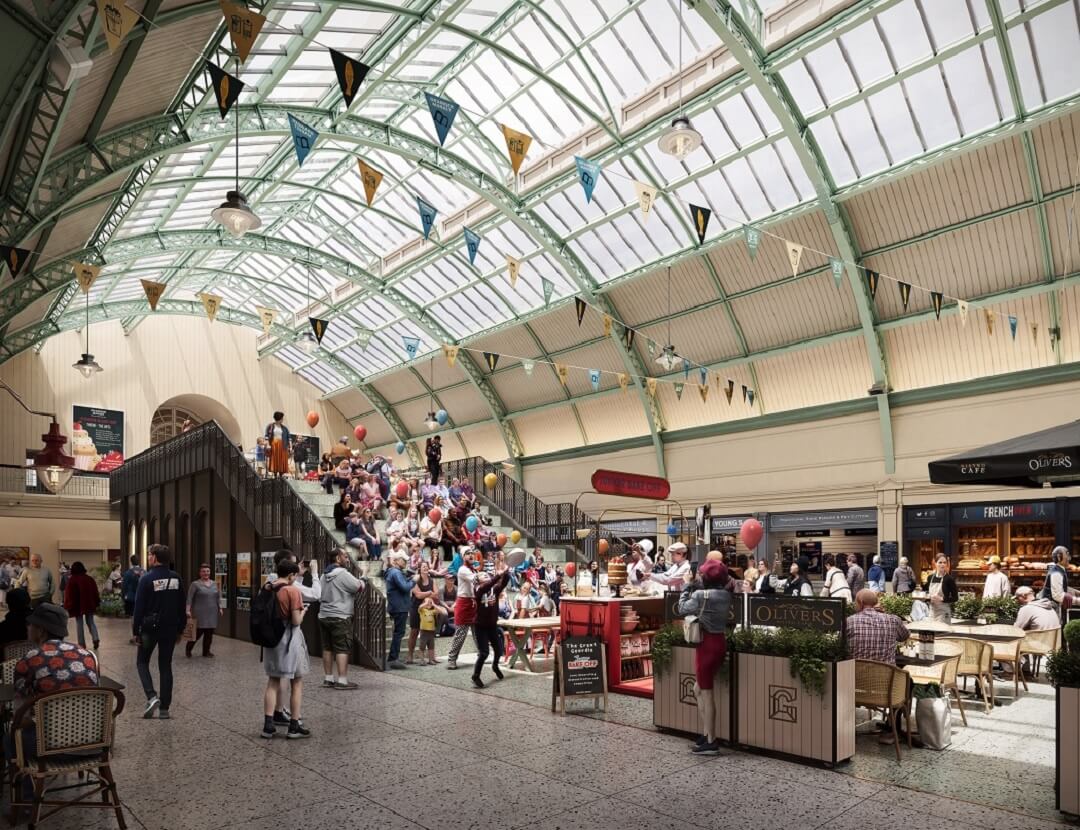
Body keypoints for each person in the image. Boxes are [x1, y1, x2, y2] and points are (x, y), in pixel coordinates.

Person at [676, 559, 732, 756]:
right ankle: (706, 733)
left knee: (706, 693)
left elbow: (681, 608)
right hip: (719, 642)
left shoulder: (700, 595)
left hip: (705, 645)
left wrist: (687, 585)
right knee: (698, 688)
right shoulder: (725, 595)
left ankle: (711, 741)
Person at [133, 544, 187, 720]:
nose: (148, 557)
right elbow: (181, 606)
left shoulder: (146, 579)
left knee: (142, 662)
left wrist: (136, 631)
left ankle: (151, 696)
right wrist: (180, 629)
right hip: (170, 628)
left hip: (150, 628)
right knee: (165, 665)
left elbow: (139, 608)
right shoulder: (176, 578)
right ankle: (164, 708)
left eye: (149, 554)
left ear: (155, 557)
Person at [260, 560, 311, 739]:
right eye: (295, 576)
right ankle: (294, 726)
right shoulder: (292, 591)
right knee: (296, 682)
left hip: (271, 641)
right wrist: (304, 611)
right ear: (291, 576)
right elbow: (296, 621)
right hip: (289, 641)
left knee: (272, 681)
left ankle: (268, 726)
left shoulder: (267, 588)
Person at [318, 548, 364, 689]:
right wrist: (364, 577)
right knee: (342, 648)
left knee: (327, 648)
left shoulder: (323, 575)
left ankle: (328, 678)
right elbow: (358, 587)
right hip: (340, 617)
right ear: (338, 559)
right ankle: (342, 681)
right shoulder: (343, 574)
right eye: (345, 556)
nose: (348, 559)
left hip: (324, 616)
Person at [845, 589, 909, 665]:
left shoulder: (849, 621)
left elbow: (840, 645)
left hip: (855, 673)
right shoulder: (893, 619)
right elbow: (904, 636)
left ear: (861, 603)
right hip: (886, 675)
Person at [472, 563, 510, 688]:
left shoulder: (494, 589)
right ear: (477, 580)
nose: (486, 575)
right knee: (484, 653)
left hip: (492, 625)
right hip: (480, 626)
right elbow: (487, 586)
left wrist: (506, 572)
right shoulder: (478, 589)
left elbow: (504, 583)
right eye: (482, 575)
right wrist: (498, 575)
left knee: (499, 649)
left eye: (486, 574)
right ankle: (476, 675)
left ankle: (495, 665)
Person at [447, 552, 479, 670]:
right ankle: (451, 658)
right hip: (464, 604)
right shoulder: (462, 569)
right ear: (463, 557)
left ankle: (482, 655)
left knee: (478, 633)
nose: (471, 555)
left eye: (472, 553)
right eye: (467, 554)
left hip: (473, 603)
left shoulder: (473, 570)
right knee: (460, 634)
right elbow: (477, 580)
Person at [185, 563, 222, 658]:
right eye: (203, 571)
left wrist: (220, 608)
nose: (206, 573)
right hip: (199, 613)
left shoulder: (216, 584)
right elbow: (189, 598)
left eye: (207, 571)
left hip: (212, 612)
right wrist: (188, 610)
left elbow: (218, 597)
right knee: (197, 633)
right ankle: (188, 649)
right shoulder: (195, 584)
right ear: (200, 573)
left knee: (209, 634)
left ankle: (206, 652)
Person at [62, 561, 100, 650]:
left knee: (79, 624)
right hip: (89, 604)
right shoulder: (89, 579)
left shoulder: (72, 580)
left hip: (77, 605)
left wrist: (67, 605)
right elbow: (95, 592)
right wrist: (97, 602)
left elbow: (69, 594)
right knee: (91, 621)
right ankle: (95, 638)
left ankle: (81, 644)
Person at [385, 552, 413, 669]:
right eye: (403, 560)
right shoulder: (396, 572)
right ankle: (393, 659)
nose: (405, 562)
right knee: (399, 633)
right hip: (399, 607)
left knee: (398, 633)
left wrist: (409, 578)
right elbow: (405, 587)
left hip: (397, 606)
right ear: (396, 561)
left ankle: (393, 657)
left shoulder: (394, 572)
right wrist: (414, 580)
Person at [407, 561, 438, 664]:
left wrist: (426, 594)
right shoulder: (415, 579)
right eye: (423, 566)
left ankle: (431, 657)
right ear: (419, 568)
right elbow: (418, 595)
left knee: (429, 632)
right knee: (414, 632)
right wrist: (429, 593)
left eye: (427, 566)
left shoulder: (431, 580)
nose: (425, 568)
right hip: (416, 608)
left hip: (428, 609)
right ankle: (410, 656)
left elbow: (436, 594)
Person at [923, 555, 958, 623]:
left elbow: (955, 598)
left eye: (944, 563)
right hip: (932, 612)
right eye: (940, 562)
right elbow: (926, 593)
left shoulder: (949, 579)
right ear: (935, 563)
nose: (942, 565)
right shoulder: (930, 578)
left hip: (943, 612)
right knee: (932, 632)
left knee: (941, 633)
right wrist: (928, 598)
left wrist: (942, 599)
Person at [1041, 546, 1071, 613]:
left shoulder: (1059, 569)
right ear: (1059, 557)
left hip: (1053, 607)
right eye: (1067, 554)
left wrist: (1077, 593)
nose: (1069, 558)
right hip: (1050, 608)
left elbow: (1062, 587)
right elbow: (1057, 596)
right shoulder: (1056, 573)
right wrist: (1077, 600)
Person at [264, 411, 291, 478]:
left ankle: (281, 475)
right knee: (275, 459)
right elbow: (266, 437)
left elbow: (289, 438)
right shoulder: (270, 426)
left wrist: (290, 447)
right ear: (279, 418)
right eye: (282, 418)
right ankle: (275, 475)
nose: (283, 420)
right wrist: (268, 445)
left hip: (282, 445)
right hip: (274, 445)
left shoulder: (284, 428)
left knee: (281, 460)